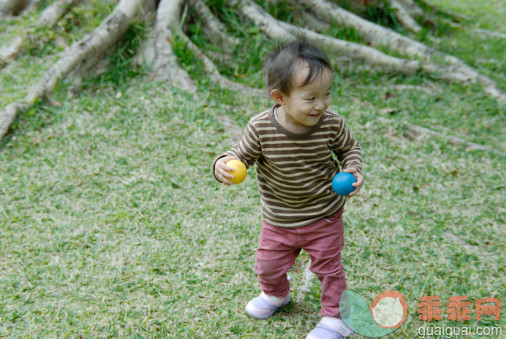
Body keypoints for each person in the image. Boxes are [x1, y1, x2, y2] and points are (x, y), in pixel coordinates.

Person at [212, 41, 364, 339]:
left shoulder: (331, 124)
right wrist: (222, 164)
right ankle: (276, 295)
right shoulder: (260, 128)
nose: (321, 105)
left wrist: (353, 169)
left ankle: (336, 318)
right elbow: (239, 156)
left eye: (327, 94)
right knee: (267, 265)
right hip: (278, 220)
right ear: (280, 97)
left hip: (324, 216)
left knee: (329, 269)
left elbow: (350, 150)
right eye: (310, 98)